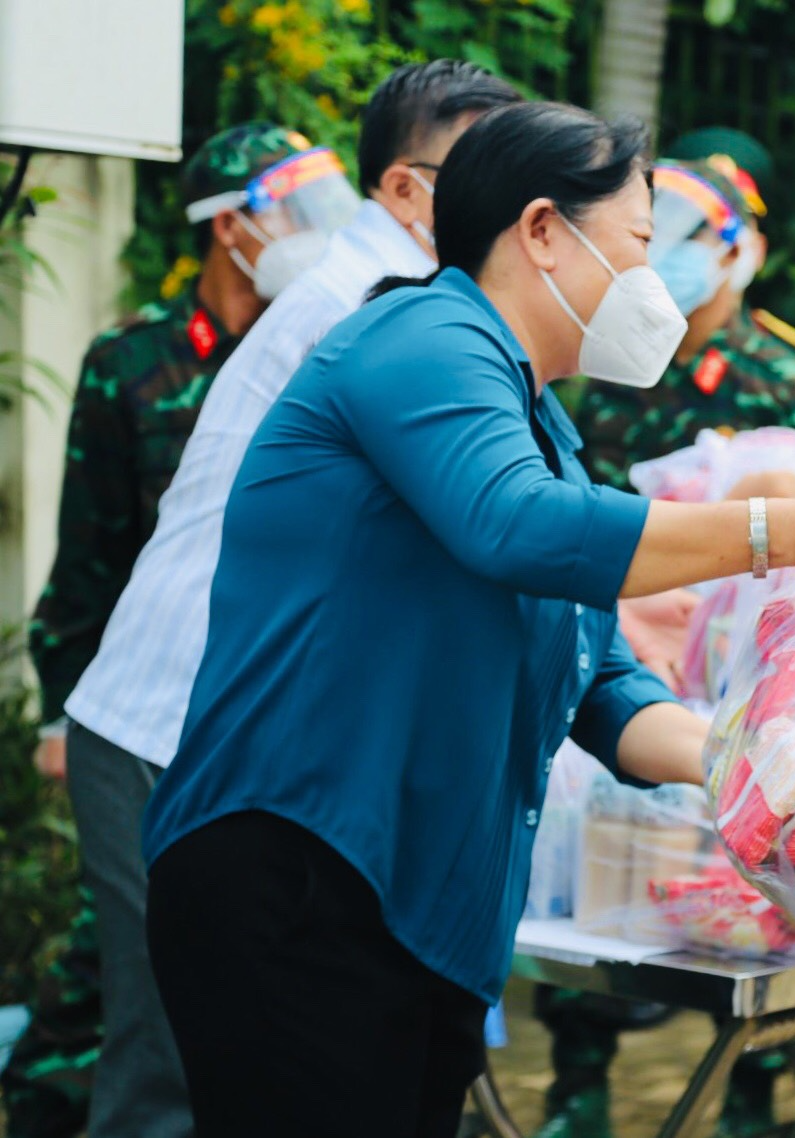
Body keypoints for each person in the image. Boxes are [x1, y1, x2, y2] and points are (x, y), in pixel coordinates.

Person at [139, 99, 795, 1138]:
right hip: (300, 871)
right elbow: (509, 525)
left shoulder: (539, 422)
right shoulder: (420, 335)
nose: (653, 281)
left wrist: (756, 758)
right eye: (642, 244)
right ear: (544, 230)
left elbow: (597, 678)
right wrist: (780, 531)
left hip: (410, 903)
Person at [42, 58, 516, 1138]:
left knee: (227, 1051)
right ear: (405, 190)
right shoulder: (377, 311)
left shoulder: (409, 303)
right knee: (170, 1058)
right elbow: (503, 520)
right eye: (488, 172)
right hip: (169, 721)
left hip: (227, 727)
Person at [5, 121, 352, 1138]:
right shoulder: (134, 364)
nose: (320, 233)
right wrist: (66, 717)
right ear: (232, 225)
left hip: (262, 727)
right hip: (143, 718)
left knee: (176, 972)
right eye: (297, 207)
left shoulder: (327, 349)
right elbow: (90, 566)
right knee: (135, 971)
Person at [577, 158, 795, 491]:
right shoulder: (616, 371)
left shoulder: (787, 387)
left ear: (733, 253)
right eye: (652, 233)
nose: (663, 249)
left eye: (688, 235)